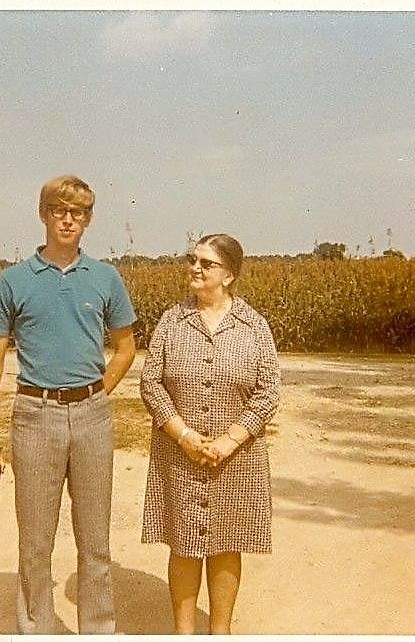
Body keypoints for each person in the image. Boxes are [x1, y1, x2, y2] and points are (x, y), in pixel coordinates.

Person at [0, 174, 137, 634]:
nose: (69, 220)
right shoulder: (13, 281)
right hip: (34, 417)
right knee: (35, 543)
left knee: (95, 543)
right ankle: (36, 630)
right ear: (43, 214)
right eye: (60, 211)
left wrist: (97, 392)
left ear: (88, 219)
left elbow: (126, 347)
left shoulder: (105, 278)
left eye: (78, 213)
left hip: (92, 418)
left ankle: (96, 630)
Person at [140, 233, 280, 635]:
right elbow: (151, 382)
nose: (195, 269)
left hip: (236, 458)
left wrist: (229, 439)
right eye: (192, 260)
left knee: (226, 544)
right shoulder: (171, 320)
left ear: (229, 275)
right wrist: (183, 434)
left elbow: (269, 391)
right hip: (179, 453)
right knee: (184, 544)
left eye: (207, 263)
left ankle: (221, 633)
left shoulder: (254, 326)